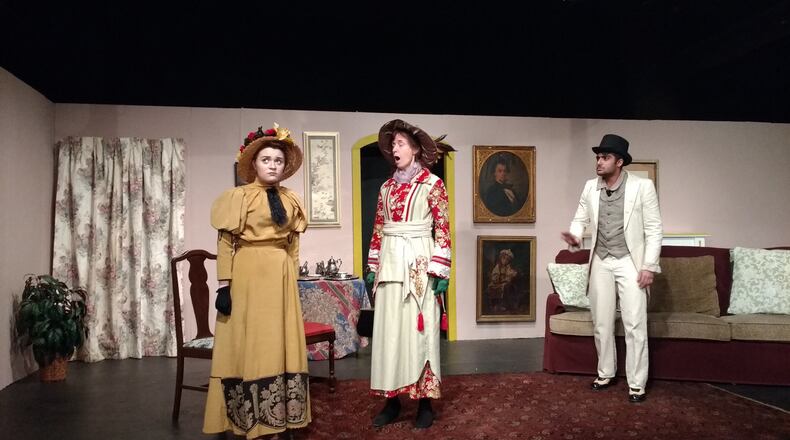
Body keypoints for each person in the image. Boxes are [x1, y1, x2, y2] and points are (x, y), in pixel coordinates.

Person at [204, 123, 311, 438]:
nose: (273, 165)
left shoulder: (291, 199)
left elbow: (293, 244)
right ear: (254, 164)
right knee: (251, 344)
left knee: (280, 342)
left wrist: (292, 278)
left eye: (278, 161)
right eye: (267, 160)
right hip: (248, 272)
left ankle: (281, 418)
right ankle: (250, 419)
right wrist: (224, 285)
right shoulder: (238, 197)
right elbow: (225, 243)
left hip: (280, 276)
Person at [561, 133, 662, 403]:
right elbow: (580, 217)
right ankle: (605, 373)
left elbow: (654, 230)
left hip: (630, 260)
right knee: (602, 322)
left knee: (634, 323)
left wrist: (649, 266)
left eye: (604, 157)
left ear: (619, 162)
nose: (598, 162)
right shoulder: (590, 187)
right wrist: (575, 234)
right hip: (601, 261)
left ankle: (636, 384)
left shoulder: (643, 187)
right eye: (597, 157)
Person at [365, 119, 451, 429]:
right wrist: (372, 267)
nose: (394, 148)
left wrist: (441, 271)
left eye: (401, 143)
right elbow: (377, 230)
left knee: (420, 332)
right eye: (393, 144)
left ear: (415, 149)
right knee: (390, 333)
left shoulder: (433, 184)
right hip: (390, 262)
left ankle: (424, 402)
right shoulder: (386, 188)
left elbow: (442, 229)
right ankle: (391, 401)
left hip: (419, 265)